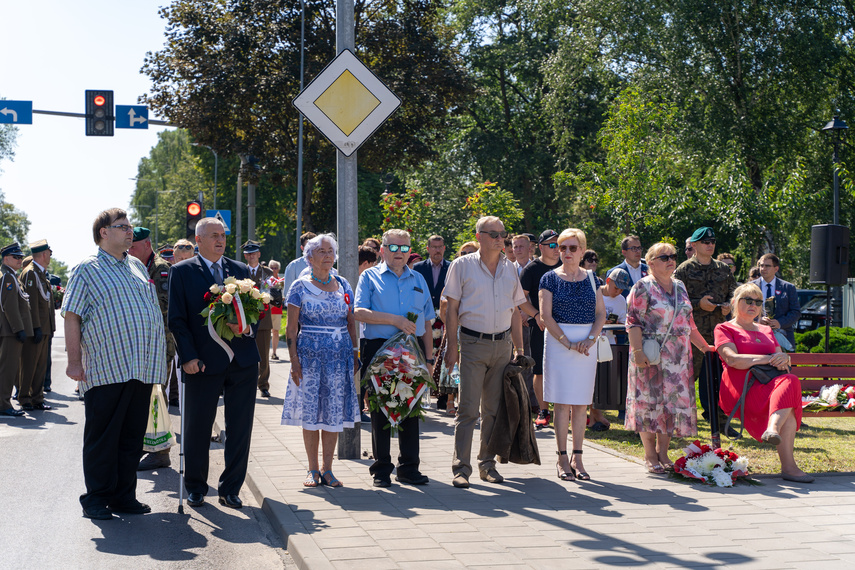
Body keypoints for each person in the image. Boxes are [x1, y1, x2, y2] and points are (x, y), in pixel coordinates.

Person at [63, 209, 167, 520]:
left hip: (142, 366)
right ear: (103, 233)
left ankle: (123, 496)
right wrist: (73, 361)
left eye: (130, 226)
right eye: (122, 227)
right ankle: (96, 498)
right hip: (107, 367)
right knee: (103, 437)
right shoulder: (86, 269)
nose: (129, 231)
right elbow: (72, 316)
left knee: (131, 436)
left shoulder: (136, 266)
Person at [168, 217, 260, 509]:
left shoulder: (241, 271)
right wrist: (188, 357)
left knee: (240, 428)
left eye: (222, 235)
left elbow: (257, 313)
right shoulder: (182, 272)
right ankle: (196, 486)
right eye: (213, 236)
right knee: (197, 428)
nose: (220, 240)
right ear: (199, 241)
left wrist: (245, 328)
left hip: (242, 362)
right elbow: (177, 321)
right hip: (203, 363)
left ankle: (231, 488)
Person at [444, 216, 535, 489]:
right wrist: (452, 348)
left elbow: (517, 311)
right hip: (472, 344)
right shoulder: (461, 266)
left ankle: (487, 464)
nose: (500, 239)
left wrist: (519, 349)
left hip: (503, 346)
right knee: (468, 410)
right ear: (479, 235)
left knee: (493, 410)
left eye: (502, 234)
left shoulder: (510, 269)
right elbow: (451, 310)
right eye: (493, 234)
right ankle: (461, 468)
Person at [355, 229, 435, 487]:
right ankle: (381, 468)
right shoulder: (369, 277)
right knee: (380, 408)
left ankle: (409, 468)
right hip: (379, 348)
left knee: (410, 407)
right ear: (383, 250)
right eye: (393, 247)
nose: (399, 253)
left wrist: (430, 359)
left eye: (404, 248)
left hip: (412, 350)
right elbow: (359, 312)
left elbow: (427, 322)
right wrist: (395, 320)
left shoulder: (418, 279)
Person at [626, 242, 712, 474]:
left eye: (673, 256)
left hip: (679, 357)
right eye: (663, 257)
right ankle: (649, 455)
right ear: (651, 263)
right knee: (649, 406)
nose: (670, 260)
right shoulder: (642, 286)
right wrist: (637, 352)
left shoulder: (680, 286)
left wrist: (705, 347)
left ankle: (664, 454)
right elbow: (633, 321)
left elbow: (688, 322)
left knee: (671, 407)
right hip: (650, 355)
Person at [282, 234, 360, 487]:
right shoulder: (300, 286)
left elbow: (351, 322)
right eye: (322, 251)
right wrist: (294, 362)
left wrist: (355, 352)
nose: (328, 255)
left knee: (333, 413)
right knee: (312, 413)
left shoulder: (344, 284)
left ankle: (328, 469)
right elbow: (291, 329)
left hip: (339, 359)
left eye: (331, 251)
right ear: (310, 257)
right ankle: (312, 469)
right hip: (310, 359)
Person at [714, 283, 812, 483]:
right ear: (734, 302)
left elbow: (779, 358)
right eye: (748, 300)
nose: (753, 305)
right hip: (741, 387)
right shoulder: (724, 328)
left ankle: (772, 430)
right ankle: (789, 466)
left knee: (790, 380)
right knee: (789, 399)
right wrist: (767, 358)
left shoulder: (766, 330)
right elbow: (732, 359)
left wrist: (784, 359)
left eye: (758, 302)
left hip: (770, 386)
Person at [539, 229, 606, 481]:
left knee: (580, 403)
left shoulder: (593, 279)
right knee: (562, 403)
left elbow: (600, 313)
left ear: (582, 249)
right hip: (559, 343)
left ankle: (578, 457)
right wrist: (567, 342)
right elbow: (546, 315)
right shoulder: (549, 278)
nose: (566, 252)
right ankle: (562, 458)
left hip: (586, 346)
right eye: (562, 247)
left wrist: (590, 339)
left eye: (572, 248)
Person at [674, 227, 737, 427]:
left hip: (718, 333)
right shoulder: (683, 270)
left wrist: (729, 305)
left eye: (712, 242)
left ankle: (719, 423)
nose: (710, 245)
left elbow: (735, 292)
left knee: (718, 381)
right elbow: (674, 300)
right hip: (692, 336)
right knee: (685, 380)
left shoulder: (723, 269)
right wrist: (697, 304)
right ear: (694, 245)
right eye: (705, 242)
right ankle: (676, 421)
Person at [128, 227, 177, 470]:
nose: (129, 251)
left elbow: (163, 307)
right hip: (143, 343)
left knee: (157, 395)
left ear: (146, 244)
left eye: (133, 246)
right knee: (145, 397)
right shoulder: (137, 266)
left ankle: (161, 451)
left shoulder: (161, 269)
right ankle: (148, 446)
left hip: (159, 343)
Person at [520, 230, 561, 429]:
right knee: (540, 371)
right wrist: (536, 315)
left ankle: (566, 410)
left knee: (564, 369)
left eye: (559, 245)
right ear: (541, 247)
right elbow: (520, 298)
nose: (557, 249)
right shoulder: (532, 269)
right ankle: (544, 411)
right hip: (541, 326)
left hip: (566, 326)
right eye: (552, 245)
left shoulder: (567, 265)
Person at [17, 239, 56, 412]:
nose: (50, 256)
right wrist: (36, 327)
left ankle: (37, 398)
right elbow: (30, 302)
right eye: (49, 253)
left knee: (40, 366)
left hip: (44, 328)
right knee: (29, 365)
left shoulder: (40, 274)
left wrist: (49, 327)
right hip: (35, 329)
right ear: (43, 254)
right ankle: (25, 397)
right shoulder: (31, 273)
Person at [413, 235, 450, 409]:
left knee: (442, 357)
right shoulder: (417, 268)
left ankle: (443, 396)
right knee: (423, 356)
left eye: (440, 247)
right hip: (424, 319)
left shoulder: (451, 268)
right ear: (427, 249)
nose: (437, 250)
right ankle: (420, 394)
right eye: (434, 247)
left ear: (444, 248)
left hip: (444, 319)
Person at [1, 243, 32, 417]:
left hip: (10, 330)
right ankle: (3, 404)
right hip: (9, 331)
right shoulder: (7, 277)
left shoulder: (11, 275)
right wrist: (18, 329)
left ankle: (3, 402)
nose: (20, 260)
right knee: (8, 369)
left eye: (21, 257)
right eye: (16, 257)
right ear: (6, 258)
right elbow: (9, 306)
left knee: (9, 369)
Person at [243, 240, 275, 397]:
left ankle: (263, 385)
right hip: (246, 318)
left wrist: (274, 296)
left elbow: (276, 292)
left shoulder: (268, 272)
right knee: (245, 353)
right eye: (249, 253)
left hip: (263, 318)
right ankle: (247, 383)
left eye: (254, 253)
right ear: (245, 255)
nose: (252, 256)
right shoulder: (241, 270)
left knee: (263, 354)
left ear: (259, 254)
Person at [753, 253, 800, 349]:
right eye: (761, 265)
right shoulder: (750, 287)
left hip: (782, 336)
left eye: (767, 266)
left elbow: (796, 312)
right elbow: (741, 311)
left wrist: (780, 323)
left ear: (776, 269)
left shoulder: (788, 287)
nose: (763, 268)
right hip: (755, 335)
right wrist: (757, 320)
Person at [268, 259, 282, 361]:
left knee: (275, 331)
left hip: (277, 309)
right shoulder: (266, 281)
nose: (273, 269)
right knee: (266, 332)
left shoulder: (281, 281)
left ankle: (274, 352)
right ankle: (265, 352)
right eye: (271, 267)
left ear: (279, 269)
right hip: (267, 309)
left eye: (275, 268)